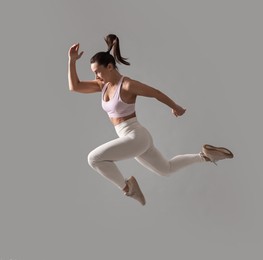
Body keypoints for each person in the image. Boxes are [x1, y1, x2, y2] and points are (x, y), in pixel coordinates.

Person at [68, 34, 234, 206]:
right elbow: (75, 86)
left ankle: (127, 188)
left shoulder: (127, 85)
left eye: (97, 72)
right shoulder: (103, 86)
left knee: (93, 159)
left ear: (109, 66)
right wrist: (72, 61)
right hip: (133, 138)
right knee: (167, 169)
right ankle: (205, 156)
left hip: (135, 137)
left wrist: (175, 106)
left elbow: (155, 93)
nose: (96, 76)